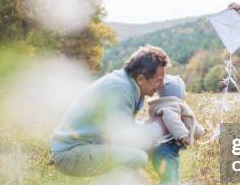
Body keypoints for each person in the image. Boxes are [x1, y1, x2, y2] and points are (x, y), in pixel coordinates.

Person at [50, 45, 169, 176]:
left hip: (88, 146)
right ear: (141, 79)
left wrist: (152, 126)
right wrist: (159, 128)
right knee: (137, 157)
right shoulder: (120, 89)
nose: (162, 85)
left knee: (149, 145)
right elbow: (123, 137)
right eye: (159, 80)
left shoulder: (129, 85)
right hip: (71, 153)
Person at [147, 75, 205, 185]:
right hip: (164, 149)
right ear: (179, 92)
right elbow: (172, 121)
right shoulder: (170, 106)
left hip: (164, 150)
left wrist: (201, 132)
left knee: (173, 177)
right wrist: (182, 135)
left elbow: (190, 122)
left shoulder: (168, 104)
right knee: (169, 180)